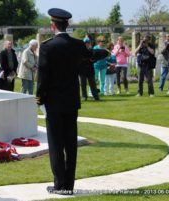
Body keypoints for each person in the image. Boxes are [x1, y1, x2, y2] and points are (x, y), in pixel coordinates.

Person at [36, 8, 108, 195]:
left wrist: (40, 98)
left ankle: (60, 185)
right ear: (67, 25)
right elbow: (92, 58)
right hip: (71, 101)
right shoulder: (77, 45)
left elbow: (42, 76)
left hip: (53, 102)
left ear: (53, 25)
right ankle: (69, 185)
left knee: (56, 145)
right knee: (70, 144)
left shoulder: (47, 46)